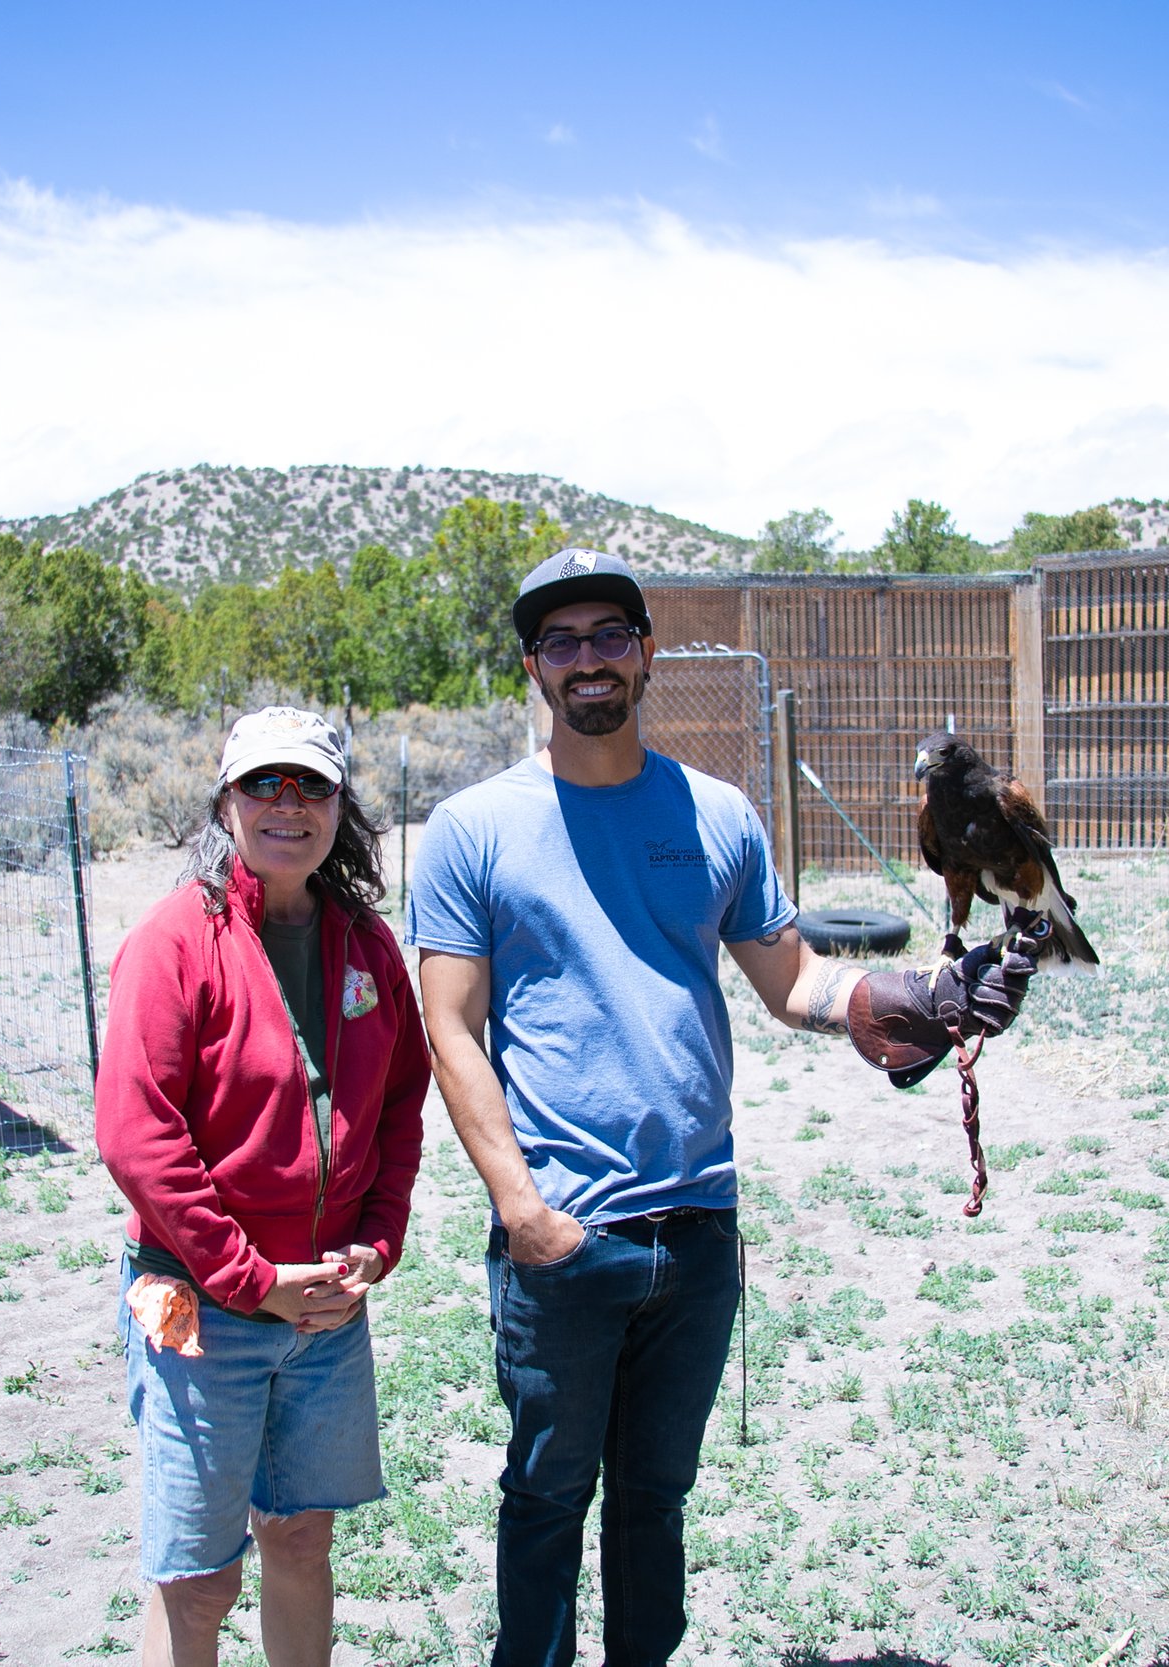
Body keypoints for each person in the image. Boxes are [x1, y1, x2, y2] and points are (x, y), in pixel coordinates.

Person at [406, 550, 1037, 1666]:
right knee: (546, 1496)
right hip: (563, 1231)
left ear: (646, 652)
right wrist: (524, 1210)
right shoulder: (472, 828)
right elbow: (449, 1027)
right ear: (531, 667)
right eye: (562, 640)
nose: (588, 657)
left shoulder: (718, 813)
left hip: (697, 1226)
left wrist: (914, 996)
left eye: (609, 633)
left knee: (653, 1500)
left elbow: (792, 980)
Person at [96, 705, 429, 1667]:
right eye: (263, 784)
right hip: (200, 1301)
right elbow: (136, 1137)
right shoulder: (173, 943)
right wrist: (249, 1278)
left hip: (325, 1306)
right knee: (197, 1577)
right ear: (225, 800)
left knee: (299, 1536)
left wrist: (379, 1230)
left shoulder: (366, 945)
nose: (288, 804)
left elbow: (402, 1096)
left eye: (311, 784)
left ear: (341, 804)